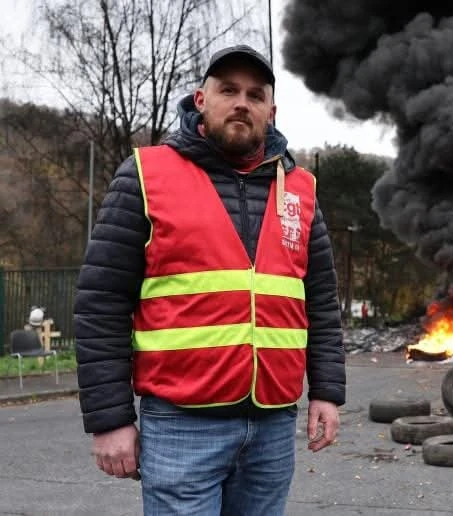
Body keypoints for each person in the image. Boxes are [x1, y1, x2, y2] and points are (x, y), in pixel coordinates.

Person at [73, 44, 346, 515]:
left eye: (255, 94)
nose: (242, 102)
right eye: (228, 90)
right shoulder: (145, 174)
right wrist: (110, 420)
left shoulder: (299, 189)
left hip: (273, 426)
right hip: (181, 425)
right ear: (201, 99)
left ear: (271, 110)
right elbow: (101, 302)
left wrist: (326, 393)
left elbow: (319, 302)